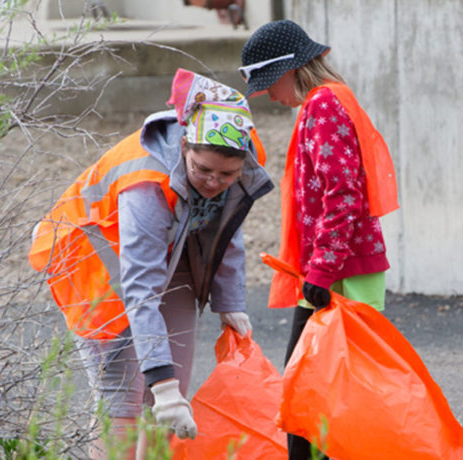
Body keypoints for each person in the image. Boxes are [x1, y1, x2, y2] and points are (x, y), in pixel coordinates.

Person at [28, 69, 273, 459]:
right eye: (202, 170)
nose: (213, 182)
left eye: (227, 174)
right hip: (96, 264)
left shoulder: (241, 156)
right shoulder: (145, 184)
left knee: (171, 403)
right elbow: (139, 289)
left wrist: (230, 301)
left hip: (170, 254)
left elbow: (227, 226)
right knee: (123, 400)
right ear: (183, 149)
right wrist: (161, 386)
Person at [239, 20, 399, 460]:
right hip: (343, 267)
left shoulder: (324, 105)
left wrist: (322, 271)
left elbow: (343, 192)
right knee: (333, 387)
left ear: (291, 70)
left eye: (269, 83)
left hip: (337, 272)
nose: (270, 95)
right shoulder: (330, 101)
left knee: (310, 387)